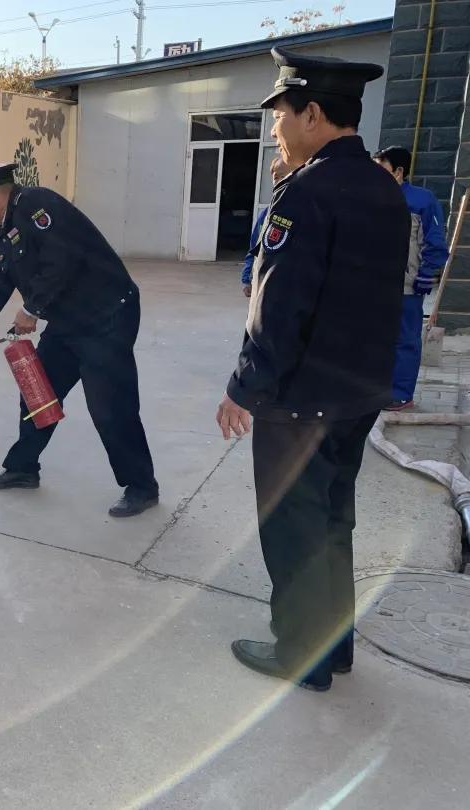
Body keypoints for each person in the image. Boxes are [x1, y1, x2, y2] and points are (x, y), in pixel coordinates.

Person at [214, 47, 409, 691]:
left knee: (294, 526)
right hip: (358, 393)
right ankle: (334, 646)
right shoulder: (385, 186)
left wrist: (243, 389)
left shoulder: (306, 194)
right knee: (332, 519)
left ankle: (302, 653)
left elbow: (279, 309)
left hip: (301, 399)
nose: (275, 129)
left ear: (314, 113)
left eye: (281, 116)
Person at [0, 162, 160, 518]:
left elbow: (62, 258)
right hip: (67, 321)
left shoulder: (37, 206)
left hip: (107, 317)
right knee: (37, 394)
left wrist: (31, 308)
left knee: (110, 407)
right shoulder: (6, 232)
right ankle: (23, 468)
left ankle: (142, 486)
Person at [373, 145, 450, 411]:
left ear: (398, 171)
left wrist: (426, 274)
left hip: (406, 285)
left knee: (404, 340)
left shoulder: (422, 200)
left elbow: (436, 243)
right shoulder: (373, 199)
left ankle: (401, 394)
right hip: (374, 284)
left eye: (380, 168)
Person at [241, 157, 296, 297]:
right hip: (261, 286)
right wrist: (247, 279)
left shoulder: (303, 214)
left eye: (284, 176)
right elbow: (254, 248)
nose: (279, 181)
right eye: (276, 177)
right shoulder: (266, 215)